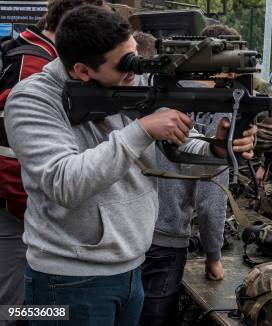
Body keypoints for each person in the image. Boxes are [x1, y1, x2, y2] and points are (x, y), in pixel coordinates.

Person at [4, 6, 255, 325]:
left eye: (134, 56)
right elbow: (64, 183)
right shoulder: (31, 99)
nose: (135, 71)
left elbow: (181, 141)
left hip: (131, 266)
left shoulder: (134, 81)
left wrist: (217, 148)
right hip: (67, 279)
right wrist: (142, 130)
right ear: (82, 70)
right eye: (124, 65)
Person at [0, 0, 103, 320]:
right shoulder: (34, 67)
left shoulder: (27, 51)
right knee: (15, 308)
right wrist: (35, 213)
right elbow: (9, 156)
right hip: (17, 215)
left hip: (20, 209)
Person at [135, 29, 227, 326]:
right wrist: (214, 255)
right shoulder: (190, 100)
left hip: (125, 237)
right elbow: (211, 191)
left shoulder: (152, 95)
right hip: (164, 241)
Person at [200, 24, 272, 224]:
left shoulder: (252, 86)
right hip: (249, 147)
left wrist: (265, 165)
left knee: (266, 213)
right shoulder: (213, 82)